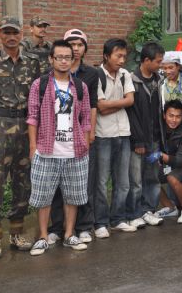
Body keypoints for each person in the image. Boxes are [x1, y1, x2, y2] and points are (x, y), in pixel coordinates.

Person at [0, 16, 41, 258]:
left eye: (15, 32)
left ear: (21, 34)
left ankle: (17, 233)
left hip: (24, 126)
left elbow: (37, 95)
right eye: (6, 32)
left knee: (23, 182)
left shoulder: (32, 63)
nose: (11, 37)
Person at [27, 40, 91, 255]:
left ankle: (69, 234)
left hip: (75, 151)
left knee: (73, 196)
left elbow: (86, 119)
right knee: (43, 197)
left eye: (67, 57)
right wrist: (33, 147)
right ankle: (43, 237)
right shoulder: (40, 85)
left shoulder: (80, 87)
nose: (64, 61)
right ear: (51, 59)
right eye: (59, 57)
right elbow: (32, 117)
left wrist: (85, 143)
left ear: (73, 60)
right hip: (46, 150)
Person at [47, 29, 99, 245]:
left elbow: (92, 106)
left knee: (83, 183)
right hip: (56, 138)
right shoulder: (49, 75)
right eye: (72, 44)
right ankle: (57, 228)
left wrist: (91, 133)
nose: (76, 49)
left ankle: (84, 226)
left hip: (80, 135)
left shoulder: (91, 74)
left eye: (80, 45)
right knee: (57, 186)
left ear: (85, 49)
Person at [93, 38, 136, 238]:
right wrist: (121, 103)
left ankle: (118, 219)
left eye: (124, 56)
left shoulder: (125, 74)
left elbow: (131, 100)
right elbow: (99, 107)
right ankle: (100, 222)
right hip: (103, 134)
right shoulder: (96, 75)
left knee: (123, 181)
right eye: (118, 56)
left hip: (123, 133)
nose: (122, 60)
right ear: (106, 56)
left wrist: (111, 105)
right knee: (101, 182)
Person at [126, 42, 165, 228]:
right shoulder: (131, 80)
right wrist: (138, 140)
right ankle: (134, 213)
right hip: (138, 140)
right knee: (136, 179)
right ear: (146, 60)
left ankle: (149, 209)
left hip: (155, 138)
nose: (160, 64)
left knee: (152, 177)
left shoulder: (159, 80)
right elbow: (131, 114)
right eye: (158, 61)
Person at [152, 100, 182, 223]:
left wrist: (163, 157)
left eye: (178, 116)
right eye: (171, 115)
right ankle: (170, 207)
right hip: (167, 164)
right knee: (149, 177)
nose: (174, 120)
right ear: (164, 115)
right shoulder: (158, 128)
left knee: (172, 177)